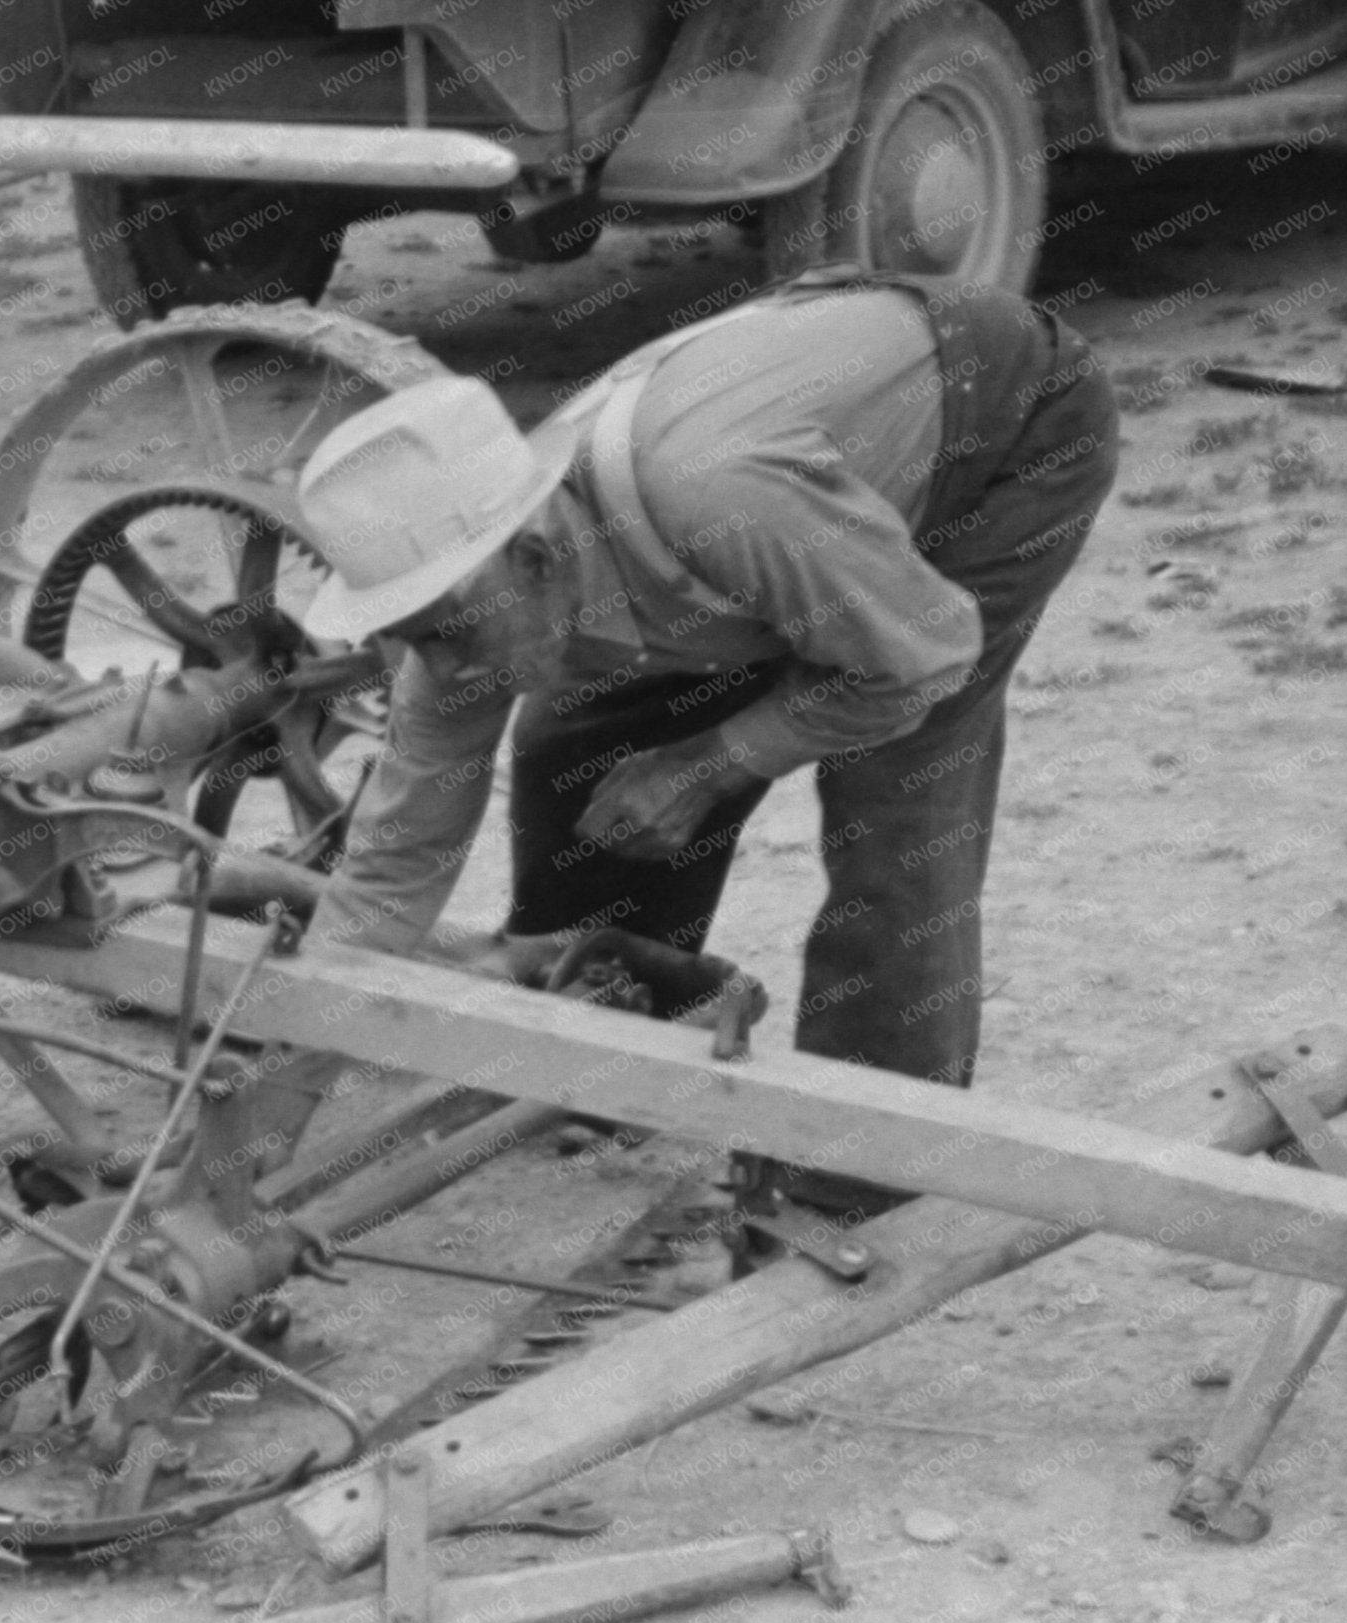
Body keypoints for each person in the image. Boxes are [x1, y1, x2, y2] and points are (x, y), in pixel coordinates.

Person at [290, 271, 1121, 1223]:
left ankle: (856, 1179)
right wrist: (273, 1091)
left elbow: (921, 659)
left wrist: (711, 760)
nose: (433, 664)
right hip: (774, 494)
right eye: (408, 633)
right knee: (579, 739)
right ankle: (607, 1040)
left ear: (532, 556)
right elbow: (392, 873)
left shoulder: (714, 496)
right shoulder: (478, 598)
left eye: (444, 631)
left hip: (997, 432)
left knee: (896, 797)